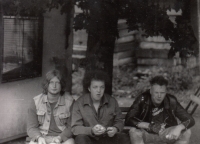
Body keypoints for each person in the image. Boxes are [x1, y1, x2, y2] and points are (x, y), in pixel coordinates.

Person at [125, 75, 195, 144]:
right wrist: (149, 126)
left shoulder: (171, 100)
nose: (159, 96)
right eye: (156, 92)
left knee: (186, 132)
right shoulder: (143, 99)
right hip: (146, 134)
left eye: (162, 93)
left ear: (166, 92)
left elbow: (190, 119)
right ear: (151, 91)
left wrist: (179, 128)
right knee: (133, 131)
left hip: (166, 134)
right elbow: (129, 118)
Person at [71, 70, 131, 144]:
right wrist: (91, 130)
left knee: (123, 138)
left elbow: (119, 121)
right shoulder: (79, 103)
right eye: (95, 87)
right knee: (80, 138)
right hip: (89, 139)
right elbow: (75, 128)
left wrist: (115, 129)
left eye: (102, 87)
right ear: (89, 88)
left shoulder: (112, 101)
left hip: (107, 138)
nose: (98, 90)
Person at [27, 70, 74, 144]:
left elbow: (71, 127)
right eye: (51, 82)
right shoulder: (36, 101)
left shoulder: (70, 101)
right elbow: (31, 127)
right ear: (46, 84)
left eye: (57, 82)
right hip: (42, 136)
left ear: (61, 85)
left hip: (62, 138)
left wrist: (59, 138)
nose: (54, 86)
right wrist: (38, 137)